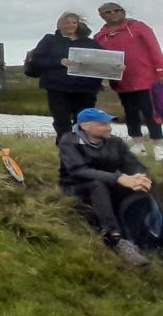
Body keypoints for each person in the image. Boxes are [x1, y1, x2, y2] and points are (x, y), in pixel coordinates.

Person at [59, 107, 157, 267]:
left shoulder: (115, 142)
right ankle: (115, 238)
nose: (109, 127)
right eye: (102, 124)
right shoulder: (69, 142)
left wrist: (142, 177)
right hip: (76, 186)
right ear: (85, 126)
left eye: (108, 123)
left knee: (142, 188)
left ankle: (148, 236)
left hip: (111, 182)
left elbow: (133, 164)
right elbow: (79, 171)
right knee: (97, 185)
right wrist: (119, 178)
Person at [94, 3, 163, 159]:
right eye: (108, 12)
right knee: (130, 113)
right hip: (122, 81)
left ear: (123, 11)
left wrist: (160, 71)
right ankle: (138, 144)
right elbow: (99, 61)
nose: (113, 14)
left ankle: (158, 146)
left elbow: (154, 49)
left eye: (116, 10)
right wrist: (99, 81)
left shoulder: (138, 27)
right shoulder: (99, 37)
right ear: (101, 15)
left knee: (151, 112)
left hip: (146, 79)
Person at [31, 12, 104, 142]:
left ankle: (84, 149)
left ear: (79, 24)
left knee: (84, 122)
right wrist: (59, 61)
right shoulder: (50, 40)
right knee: (61, 122)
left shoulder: (90, 43)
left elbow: (103, 62)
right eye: (66, 22)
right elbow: (37, 61)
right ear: (59, 25)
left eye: (73, 22)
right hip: (57, 88)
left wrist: (116, 68)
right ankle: (65, 149)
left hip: (85, 89)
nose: (70, 25)